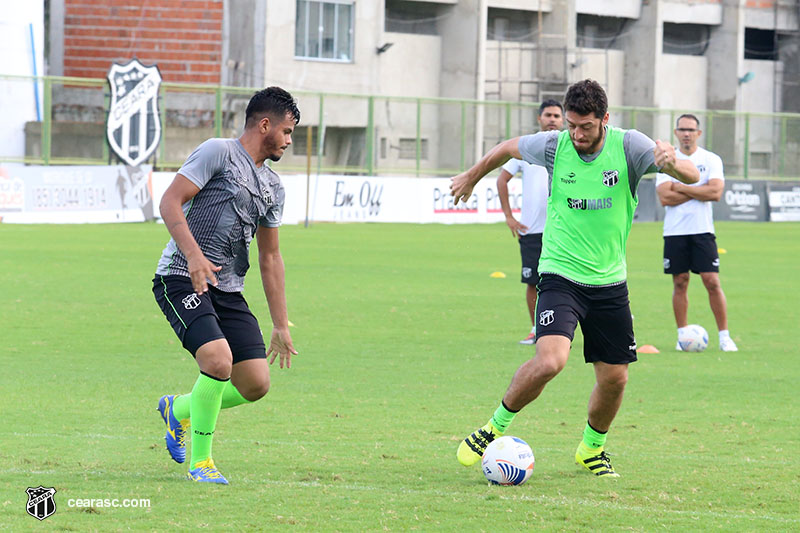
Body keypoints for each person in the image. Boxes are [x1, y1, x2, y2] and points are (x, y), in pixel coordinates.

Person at [450, 79, 699, 477]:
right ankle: (492, 428)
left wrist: (671, 163)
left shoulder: (630, 145)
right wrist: (472, 175)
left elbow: (690, 173)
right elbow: (509, 147)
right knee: (551, 361)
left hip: (610, 282)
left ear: (604, 119)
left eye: (585, 126)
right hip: (560, 274)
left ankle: (592, 448)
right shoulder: (555, 145)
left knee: (615, 378)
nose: (576, 134)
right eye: (570, 125)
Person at [152, 87, 300, 484]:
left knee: (255, 383)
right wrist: (195, 256)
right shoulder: (217, 151)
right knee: (217, 361)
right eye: (286, 132)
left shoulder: (274, 188)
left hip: (227, 288)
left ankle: (179, 409)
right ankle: (201, 463)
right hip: (181, 277)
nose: (288, 141)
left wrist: (281, 324)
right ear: (264, 124)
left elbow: (270, 258)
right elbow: (169, 201)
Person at [656, 114, 738, 352]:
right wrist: (697, 189)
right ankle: (683, 337)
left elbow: (716, 193)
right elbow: (665, 197)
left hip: (703, 231)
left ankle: (724, 336)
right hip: (675, 232)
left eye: (691, 129)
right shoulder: (667, 160)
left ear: (698, 133)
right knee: (680, 282)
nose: (686, 133)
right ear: (676, 132)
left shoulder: (711, 159)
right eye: (682, 129)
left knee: (712, 281)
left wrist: (681, 186)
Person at [496, 99, 564, 345]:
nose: (553, 119)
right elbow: (501, 179)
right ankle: (537, 329)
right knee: (533, 281)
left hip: (563, 230)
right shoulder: (526, 147)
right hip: (532, 229)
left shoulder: (570, 147)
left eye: (557, 115)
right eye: (548, 115)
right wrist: (509, 216)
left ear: (563, 119)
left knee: (569, 280)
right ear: (539, 118)